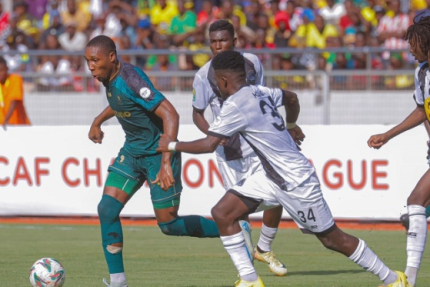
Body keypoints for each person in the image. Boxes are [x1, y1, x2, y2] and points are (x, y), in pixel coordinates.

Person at [158, 50, 410, 287]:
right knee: (223, 212)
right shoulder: (261, 91)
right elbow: (291, 97)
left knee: (332, 239)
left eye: (215, 82)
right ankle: (249, 279)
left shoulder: (234, 105)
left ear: (223, 80)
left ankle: (392, 279)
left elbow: (209, 144)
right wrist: (291, 123)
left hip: (296, 183)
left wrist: (171, 144)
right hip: (271, 177)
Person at [84, 35, 220, 287]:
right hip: (132, 154)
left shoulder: (132, 79)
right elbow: (120, 102)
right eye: (87, 61)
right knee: (107, 209)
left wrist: (167, 159)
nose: (90, 66)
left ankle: (230, 229)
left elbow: (170, 114)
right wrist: (97, 121)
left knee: (169, 225)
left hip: (158, 156)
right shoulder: (108, 77)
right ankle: (118, 281)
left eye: (95, 60)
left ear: (111, 57)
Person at [191, 19, 287, 276]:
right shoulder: (203, 75)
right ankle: (248, 273)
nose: (217, 46)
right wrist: (212, 134)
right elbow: (197, 113)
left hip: (260, 144)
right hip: (229, 154)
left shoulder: (253, 62)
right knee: (238, 212)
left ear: (235, 41)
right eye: (213, 42)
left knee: (278, 194)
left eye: (222, 40)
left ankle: (264, 248)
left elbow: (262, 97)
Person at [368, 14, 430, 287]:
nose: (409, 49)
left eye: (413, 43)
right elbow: (422, 110)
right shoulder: (422, 73)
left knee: (416, 202)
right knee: (416, 202)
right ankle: (410, 279)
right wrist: (388, 135)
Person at [0, 56, 30, 128]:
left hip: (18, 125)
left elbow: (14, 101)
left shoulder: (15, 79)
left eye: (1, 70)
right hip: (3, 126)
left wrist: (6, 120)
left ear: (7, 69)